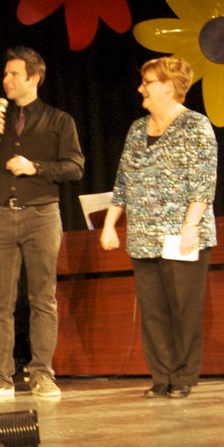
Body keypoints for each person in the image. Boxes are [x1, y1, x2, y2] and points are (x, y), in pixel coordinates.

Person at [0, 47, 84, 399]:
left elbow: (76, 166)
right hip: (0, 216)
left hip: (41, 215)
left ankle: (42, 373)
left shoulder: (58, 120)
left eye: (14, 74)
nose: (6, 80)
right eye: (5, 74)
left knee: (42, 299)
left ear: (34, 78)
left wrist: (36, 167)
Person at [99, 57, 217, 399]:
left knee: (183, 310)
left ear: (168, 86)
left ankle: (183, 377)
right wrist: (109, 224)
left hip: (182, 235)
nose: (141, 88)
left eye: (147, 82)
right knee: (153, 312)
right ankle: (161, 377)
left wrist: (191, 225)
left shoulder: (195, 125)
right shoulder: (137, 129)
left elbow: (203, 182)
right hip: (143, 236)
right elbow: (123, 181)